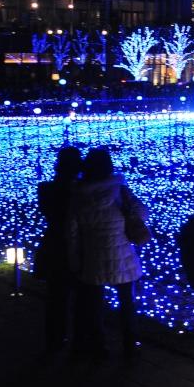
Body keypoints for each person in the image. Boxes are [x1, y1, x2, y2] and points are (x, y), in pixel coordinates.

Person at [68, 147, 148, 360]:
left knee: (95, 307)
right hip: (122, 257)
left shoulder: (79, 196)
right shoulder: (120, 190)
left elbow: (72, 232)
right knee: (127, 304)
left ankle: (99, 347)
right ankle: (130, 346)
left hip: (93, 258)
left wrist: (75, 259)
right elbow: (141, 212)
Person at [36, 146, 82, 356]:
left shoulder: (46, 189)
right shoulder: (81, 191)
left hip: (53, 246)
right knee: (81, 298)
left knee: (56, 298)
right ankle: (78, 343)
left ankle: (54, 341)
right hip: (77, 248)